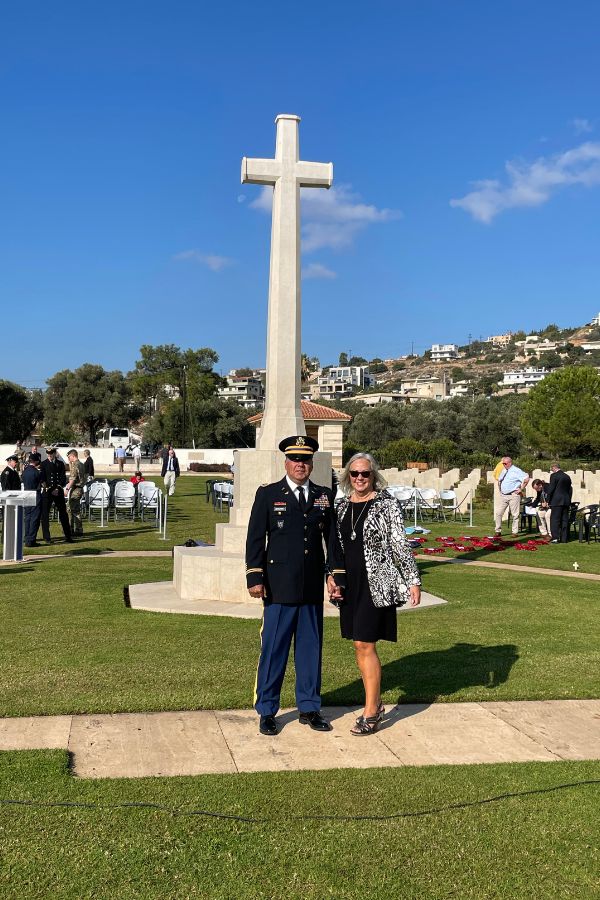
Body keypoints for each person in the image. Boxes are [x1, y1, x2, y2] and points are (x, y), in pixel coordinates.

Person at [245, 435, 335, 737]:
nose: (301, 465)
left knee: (310, 651)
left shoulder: (324, 496)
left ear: (311, 463)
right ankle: (267, 710)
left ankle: (309, 707)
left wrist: (334, 575)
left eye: (306, 460)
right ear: (286, 462)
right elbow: (256, 538)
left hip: (310, 588)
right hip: (279, 587)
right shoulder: (269, 494)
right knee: (274, 651)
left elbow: (331, 541)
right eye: (296, 459)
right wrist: (255, 577)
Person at [327, 453, 421, 736]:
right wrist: (331, 576)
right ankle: (375, 702)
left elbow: (398, 543)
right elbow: (334, 547)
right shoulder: (341, 506)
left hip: (375, 582)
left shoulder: (386, 504)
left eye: (365, 474)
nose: (359, 479)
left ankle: (371, 711)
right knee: (358, 644)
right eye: (354, 474)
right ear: (347, 477)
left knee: (365, 643)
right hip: (349, 584)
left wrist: (413, 579)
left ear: (373, 476)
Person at [40, 447, 73, 543]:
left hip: (58, 491)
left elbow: (63, 478)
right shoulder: (44, 464)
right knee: (45, 514)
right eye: (48, 454)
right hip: (48, 491)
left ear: (55, 454)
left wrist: (58, 488)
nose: (49, 456)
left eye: (51, 454)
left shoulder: (60, 464)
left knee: (63, 513)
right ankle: (47, 537)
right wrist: (50, 489)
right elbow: (42, 479)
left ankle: (68, 536)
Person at [494, 456, 529, 536]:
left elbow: (526, 479)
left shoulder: (516, 470)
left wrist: (521, 489)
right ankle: (498, 530)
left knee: (515, 514)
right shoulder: (504, 470)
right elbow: (500, 479)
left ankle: (514, 532)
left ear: (510, 463)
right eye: (503, 463)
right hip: (504, 495)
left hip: (513, 495)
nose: (504, 465)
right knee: (499, 513)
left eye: (505, 463)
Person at [546, 463, 573, 543]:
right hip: (566, 500)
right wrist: (568, 499)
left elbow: (551, 488)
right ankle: (564, 538)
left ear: (554, 468)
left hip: (556, 500)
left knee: (555, 519)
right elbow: (569, 490)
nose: (551, 470)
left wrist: (548, 500)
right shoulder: (567, 476)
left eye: (551, 469)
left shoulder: (554, 476)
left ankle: (555, 538)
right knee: (564, 519)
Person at [21, 452, 43, 547]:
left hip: (27, 494)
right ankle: (31, 540)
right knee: (35, 518)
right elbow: (42, 483)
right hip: (35, 494)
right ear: (36, 461)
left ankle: (27, 538)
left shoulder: (25, 471)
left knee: (28, 517)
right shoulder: (36, 472)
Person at [65, 449, 86, 537]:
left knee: (70, 509)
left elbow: (73, 479)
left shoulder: (75, 465)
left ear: (73, 456)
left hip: (76, 489)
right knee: (76, 510)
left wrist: (67, 489)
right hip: (80, 489)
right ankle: (78, 529)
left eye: (69, 457)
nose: (68, 459)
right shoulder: (81, 464)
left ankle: (71, 529)